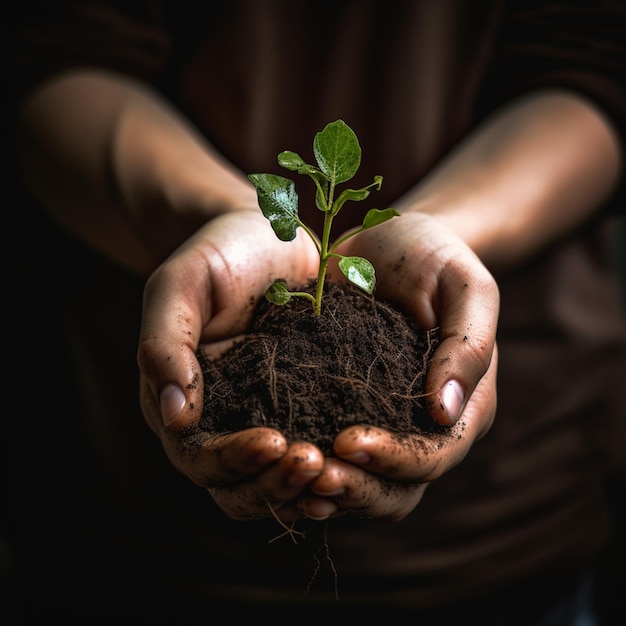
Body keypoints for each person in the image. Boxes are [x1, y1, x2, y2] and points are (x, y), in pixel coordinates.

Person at [4, 1, 625, 622]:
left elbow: (593, 67)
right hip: (127, 535)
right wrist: (218, 218)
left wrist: (447, 232)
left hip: (510, 528)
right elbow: (57, 50)